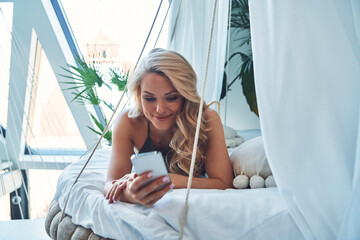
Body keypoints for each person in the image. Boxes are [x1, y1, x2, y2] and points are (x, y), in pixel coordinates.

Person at [104, 48, 233, 207]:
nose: (159, 109)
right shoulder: (129, 121)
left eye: (171, 98)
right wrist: (132, 194)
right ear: (139, 94)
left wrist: (166, 179)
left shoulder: (207, 119)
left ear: (185, 96)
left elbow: (224, 184)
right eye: (149, 98)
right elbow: (111, 184)